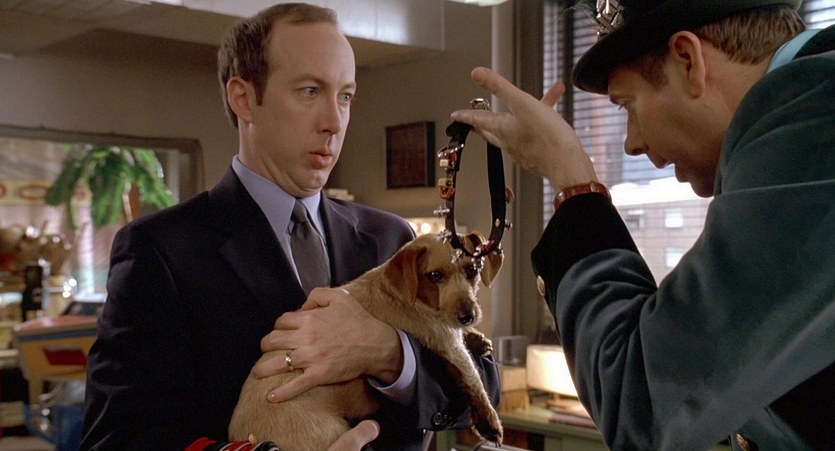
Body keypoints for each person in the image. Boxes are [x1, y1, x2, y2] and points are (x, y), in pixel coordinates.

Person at [81, 3, 500, 450]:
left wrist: (389, 353)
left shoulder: (392, 239)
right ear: (244, 99)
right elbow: (116, 439)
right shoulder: (162, 250)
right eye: (309, 91)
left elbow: (483, 391)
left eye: (345, 96)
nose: (334, 122)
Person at [451, 0, 835, 449]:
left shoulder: (815, 120)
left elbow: (643, 399)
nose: (632, 144)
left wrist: (573, 182)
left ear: (688, 61)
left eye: (627, 106)